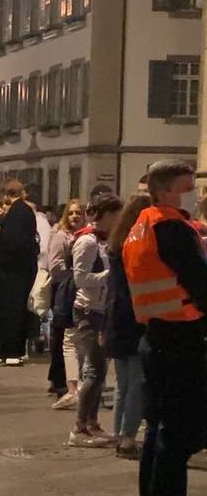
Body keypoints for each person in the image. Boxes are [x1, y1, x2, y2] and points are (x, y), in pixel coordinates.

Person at [123, 160, 207, 496]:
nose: (192, 190)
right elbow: (200, 283)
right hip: (182, 338)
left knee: (158, 438)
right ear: (168, 188)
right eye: (187, 184)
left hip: (157, 336)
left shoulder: (142, 224)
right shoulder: (170, 227)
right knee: (174, 442)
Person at [68, 193, 123, 447]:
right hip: (89, 310)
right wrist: (108, 276)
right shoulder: (88, 242)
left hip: (103, 309)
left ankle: (91, 423)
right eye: (117, 214)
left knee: (98, 370)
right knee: (95, 369)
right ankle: (80, 426)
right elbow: (80, 279)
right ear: (108, 215)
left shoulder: (104, 240)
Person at [105, 193, 151, 459]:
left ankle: (118, 434)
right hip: (134, 316)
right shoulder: (137, 244)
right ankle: (128, 438)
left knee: (123, 383)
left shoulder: (116, 243)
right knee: (137, 382)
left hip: (116, 315)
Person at [0, 180, 38, 366]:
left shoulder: (17, 213)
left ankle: (10, 351)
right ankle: (13, 350)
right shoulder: (25, 212)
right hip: (21, 269)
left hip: (13, 272)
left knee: (11, 312)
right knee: (17, 311)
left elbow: (11, 243)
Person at [48, 200, 85, 408]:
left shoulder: (86, 235)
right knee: (63, 336)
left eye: (78, 213)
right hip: (64, 290)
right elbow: (55, 266)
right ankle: (60, 381)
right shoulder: (61, 236)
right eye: (71, 213)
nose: (74, 217)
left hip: (78, 290)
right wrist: (71, 278)